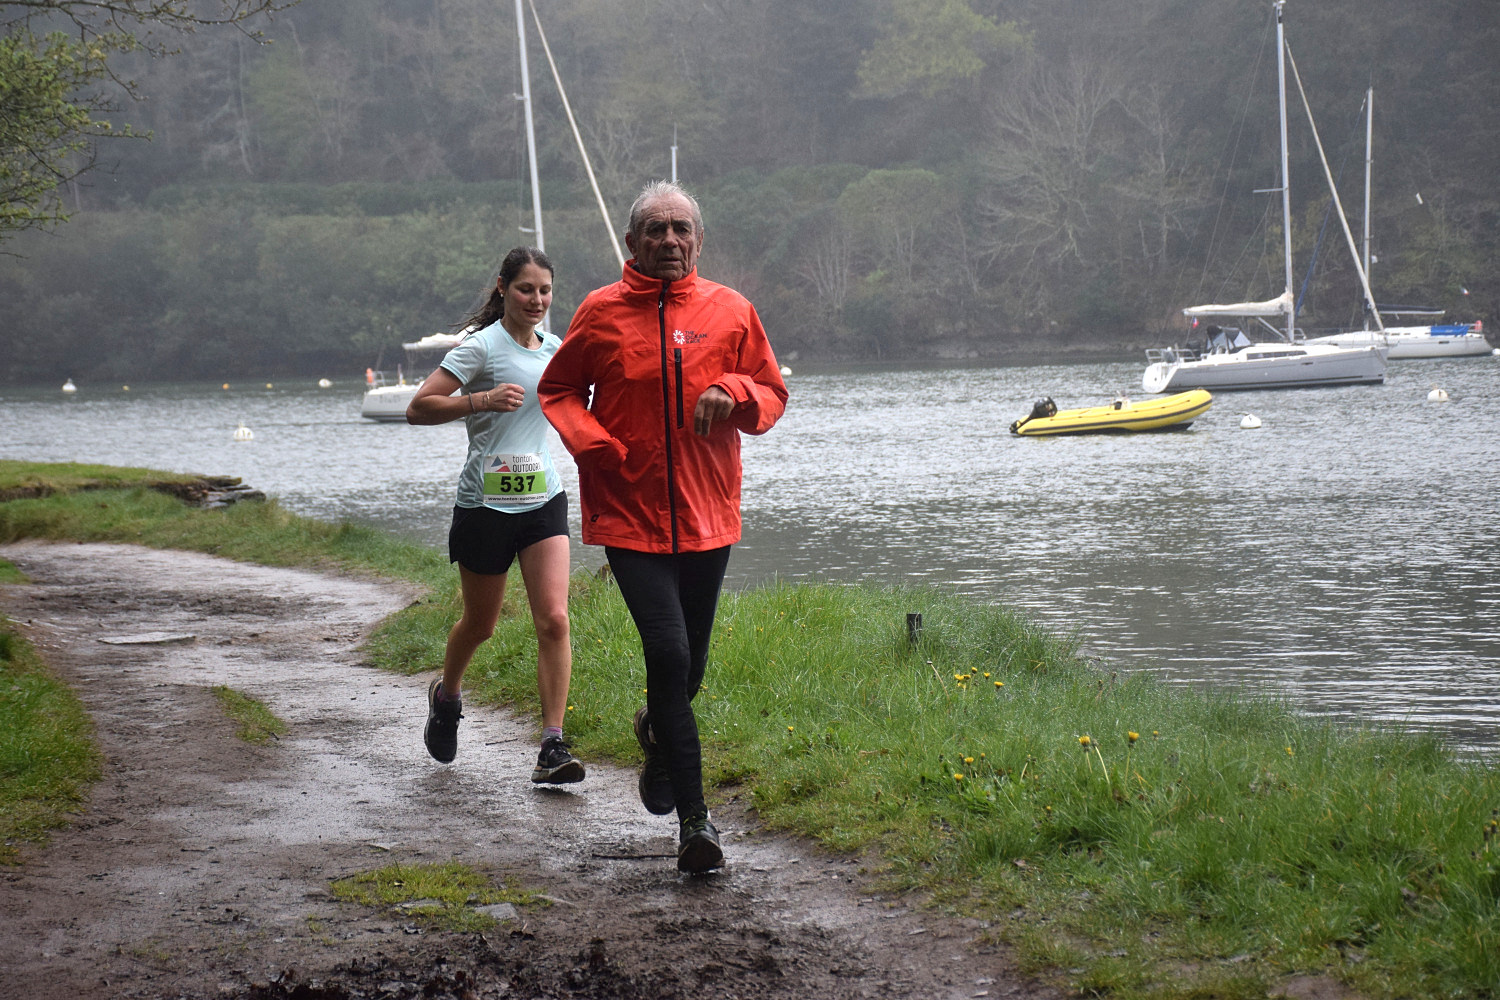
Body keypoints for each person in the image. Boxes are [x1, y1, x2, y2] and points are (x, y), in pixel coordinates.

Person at [538, 180, 787, 873]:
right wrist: (592, 444)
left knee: (689, 671)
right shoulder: (600, 312)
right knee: (670, 656)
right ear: (632, 242)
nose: (670, 240)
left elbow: (771, 394)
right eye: (656, 229)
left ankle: (656, 733)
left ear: (698, 241)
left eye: (681, 229)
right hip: (629, 515)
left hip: (709, 515)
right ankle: (696, 823)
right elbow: (559, 390)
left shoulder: (731, 310)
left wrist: (733, 388)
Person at [406, 246, 583, 786]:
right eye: (526, 289)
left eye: (545, 290)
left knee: (554, 619)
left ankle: (552, 746)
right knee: (480, 624)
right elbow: (419, 407)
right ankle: (447, 697)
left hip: (543, 500)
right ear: (503, 288)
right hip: (484, 506)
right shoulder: (480, 347)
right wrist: (479, 401)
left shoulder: (555, 350)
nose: (537, 300)